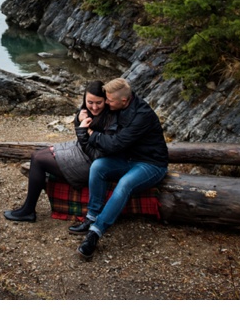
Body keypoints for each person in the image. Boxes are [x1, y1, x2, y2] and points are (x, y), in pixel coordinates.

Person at [69, 77, 168, 261]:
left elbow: (114, 145)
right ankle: (91, 216)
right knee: (98, 166)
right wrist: (81, 119)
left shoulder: (142, 115)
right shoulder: (119, 107)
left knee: (125, 184)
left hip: (151, 164)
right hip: (128, 159)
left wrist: (90, 133)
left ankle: (95, 233)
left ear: (123, 100)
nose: (105, 103)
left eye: (109, 100)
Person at [3, 80, 112, 222]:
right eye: (90, 102)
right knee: (37, 155)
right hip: (82, 150)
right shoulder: (87, 110)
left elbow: (96, 152)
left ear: (106, 101)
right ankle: (27, 209)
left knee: (38, 160)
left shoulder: (109, 117)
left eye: (99, 103)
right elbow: (81, 133)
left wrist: (84, 130)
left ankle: (28, 210)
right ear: (85, 99)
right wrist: (80, 119)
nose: (94, 107)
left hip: (91, 161)